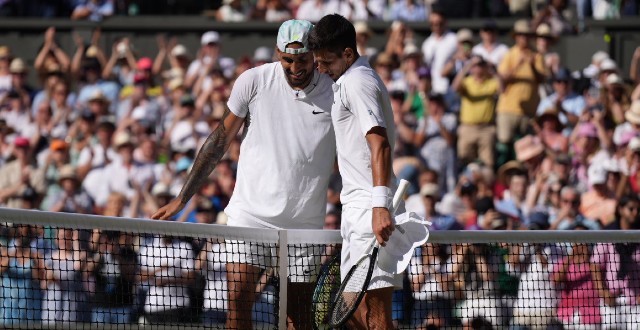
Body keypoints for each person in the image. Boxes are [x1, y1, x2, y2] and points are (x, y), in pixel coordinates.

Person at [152, 19, 336, 330]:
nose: (294, 67)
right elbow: (219, 140)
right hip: (250, 215)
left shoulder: (336, 91)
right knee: (237, 306)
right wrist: (183, 197)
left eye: (302, 59)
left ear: (314, 54)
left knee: (299, 319)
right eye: (287, 60)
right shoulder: (252, 81)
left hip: (306, 222)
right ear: (278, 53)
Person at [309, 14, 398, 329]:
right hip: (358, 209)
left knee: (374, 315)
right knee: (353, 313)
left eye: (326, 61)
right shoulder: (347, 81)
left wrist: (379, 206)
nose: (320, 68)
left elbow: (380, 145)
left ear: (348, 53)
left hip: (369, 209)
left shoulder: (358, 81)